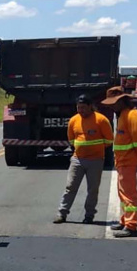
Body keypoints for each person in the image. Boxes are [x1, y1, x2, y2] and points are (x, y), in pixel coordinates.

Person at [53, 94, 114, 224]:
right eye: (78, 107)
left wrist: (95, 148)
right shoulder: (73, 120)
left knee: (92, 190)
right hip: (77, 160)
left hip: (96, 160)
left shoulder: (101, 120)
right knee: (70, 187)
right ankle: (62, 214)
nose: (81, 110)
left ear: (90, 106)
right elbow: (71, 139)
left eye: (83, 108)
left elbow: (109, 140)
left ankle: (89, 216)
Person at [100, 86, 137, 237]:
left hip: (128, 161)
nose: (112, 106)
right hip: (121, 161)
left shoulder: (132, 115)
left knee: (129, 194)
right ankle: (125, 220)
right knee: (122, 194)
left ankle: (131, 225)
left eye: (114, 103)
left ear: (122, 100)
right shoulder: (121, 115)